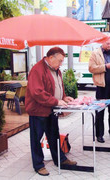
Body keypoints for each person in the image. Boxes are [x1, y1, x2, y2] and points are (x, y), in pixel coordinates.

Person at [25, 47, 77, 176]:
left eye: (62, 61)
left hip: (51, 109)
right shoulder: (37, 69)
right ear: (51, 57)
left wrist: (64, 97)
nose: (61, 64)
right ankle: (38, 165)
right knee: (36, 138)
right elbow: (37, 92)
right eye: (59, 61)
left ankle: (60, 160)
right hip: (38, 110)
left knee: (54, 136)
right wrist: (55, 101)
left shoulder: (56, 69)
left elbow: (58, 85)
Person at [89, 37, 110, 143]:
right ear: (102, 43)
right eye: (107, 43)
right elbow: (91, 68)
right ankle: (99, 135)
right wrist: (105, 66)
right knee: (100, 112)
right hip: (102, 87)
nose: (109, 45)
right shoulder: (95, 53)